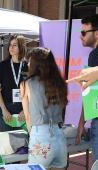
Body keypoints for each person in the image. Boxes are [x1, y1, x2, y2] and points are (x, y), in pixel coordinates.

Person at [20, 47, 68, 170]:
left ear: (36, 64)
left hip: (40, 136)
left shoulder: (26, 84)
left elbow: (28, 116)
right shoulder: (59, 83)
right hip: (59, 136)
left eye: (30, 61)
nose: (28, 64)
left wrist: (33, 137)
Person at [66, 14, 98, 162]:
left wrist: (81, 124)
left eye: (84, 32)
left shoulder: (95, 55)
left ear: (96, 33)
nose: (80, 36)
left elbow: (90, 94)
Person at [0, 34, 28, 132]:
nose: (11, 47)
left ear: (21, 47)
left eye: (15, 45)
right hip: (6, 106)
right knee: (6, 142)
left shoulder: (28, 65)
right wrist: (3, 109)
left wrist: (25, 109)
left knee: (23, 141)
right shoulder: (3, 65)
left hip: (23, 107)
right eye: (10, 45)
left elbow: (33, 91)